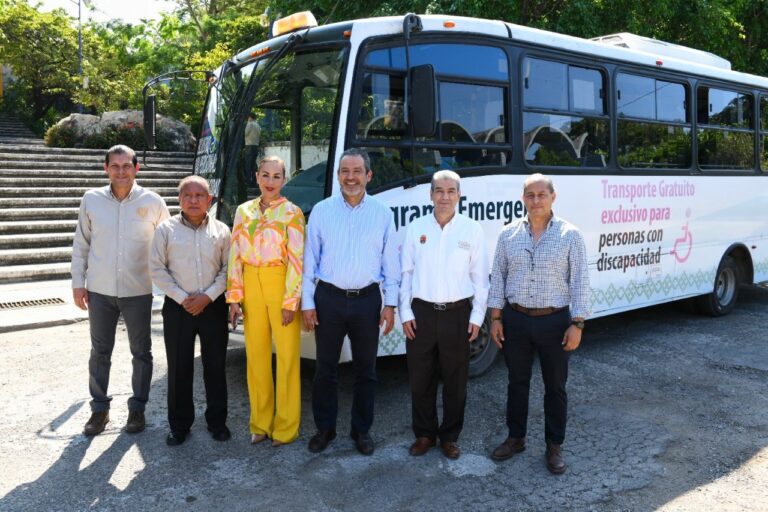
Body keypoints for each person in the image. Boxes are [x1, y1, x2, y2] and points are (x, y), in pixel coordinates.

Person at [487, 173, 589, 474]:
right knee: (516, 383)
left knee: (555, 387)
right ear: (523, 199)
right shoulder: (508, 235)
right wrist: (495, 317)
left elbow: (580, 282)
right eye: (530, 195)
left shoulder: (571, 235)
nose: (536, 200)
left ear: (553, 197)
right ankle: (516, 438)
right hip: (515, 319)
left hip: (555, 322)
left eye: (541, 195)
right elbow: (498, 278)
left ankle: (554, 445)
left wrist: (578, 324)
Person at [302, 148, 399, 455]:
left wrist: (390, 305)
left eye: (357, 171)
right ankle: (325, 429)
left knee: (366, 371)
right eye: (345, 171)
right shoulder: (321, 211)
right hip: (328, 299)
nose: (351, 177)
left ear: (368, 175)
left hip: (367, 301)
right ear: (338, 175)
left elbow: (390, 265)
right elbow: (309, 262)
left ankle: (361, 431)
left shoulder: (382, 213)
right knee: (325, 369)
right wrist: (308, 303)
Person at [72, 144, 170, 436]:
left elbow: (167, 243)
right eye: (115, 166)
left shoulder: (153, 202)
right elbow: (82, 244)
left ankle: (137, 409)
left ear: (137, 168)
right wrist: (79, 282)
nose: (121, 172)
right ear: (106, 168)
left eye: (127, 166)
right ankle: (99, 410)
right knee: (100, 352)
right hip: (100, 289)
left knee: (141, 352)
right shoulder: (91, 200)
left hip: (138, 289)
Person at [399, 170, 489, 460]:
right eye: (439, 191)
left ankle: (450, 437)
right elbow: (406, 274)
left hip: (457, 315)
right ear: (430, 195)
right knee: (420, 379)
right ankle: (424, 434)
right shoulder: (416, 228)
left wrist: (476, 318)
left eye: (451, 191)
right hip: (421, 314)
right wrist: (404, 312)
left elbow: (480, 280)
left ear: (459, 195)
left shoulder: (471, 230)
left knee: (455, 380)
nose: (445, 196)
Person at [227, 156, 305, 447]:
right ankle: (260, 423)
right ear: (257, 177)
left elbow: (297, 259)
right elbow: (235, 253)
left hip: (279, 281)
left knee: (286, 359)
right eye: (265, 175)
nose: (270, 182)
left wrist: (291, 300)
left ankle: (286, 427)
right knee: (256, 358)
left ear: (284, 180)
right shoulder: (243, 210)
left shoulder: (292, 213)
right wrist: (234, 298)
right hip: (250, 283)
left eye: (276, 176)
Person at [150, 176, 231, 446]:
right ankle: (179, 425)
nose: (194, 200)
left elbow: (228, 269)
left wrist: (207, 297)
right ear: (179, 199)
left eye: (200, 196)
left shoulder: (222, 231)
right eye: (188, 195)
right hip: (178, 308)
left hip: (213, 306)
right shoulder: (165, 230)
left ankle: (217, 423)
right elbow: (157, 270)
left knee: (215, 367)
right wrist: (184, 298)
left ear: (210, 200)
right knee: (179, 368)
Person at [243, 114, 262, 187]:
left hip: (249, 145)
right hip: (256, 145)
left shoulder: (250, 124)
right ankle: (255, 181)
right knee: (253, 164)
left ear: (250, 117)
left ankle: (248, 182)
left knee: (248, 165)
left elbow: (245, 133)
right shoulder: (258, 125)